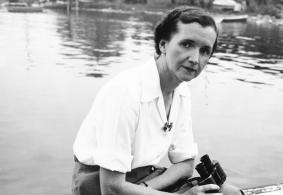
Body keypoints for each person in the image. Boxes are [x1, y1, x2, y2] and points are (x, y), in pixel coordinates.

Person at [72, 6, 243, 195]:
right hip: (98, 184)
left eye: (205, 51)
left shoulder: (181, 91)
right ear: (163, 45)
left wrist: (148, 188)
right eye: (187, 44)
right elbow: (111, 188)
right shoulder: (125, 92)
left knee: (229, 192)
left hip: (144, 178)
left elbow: (186, 164)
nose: (195, 59)